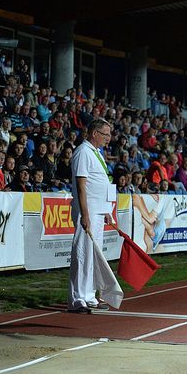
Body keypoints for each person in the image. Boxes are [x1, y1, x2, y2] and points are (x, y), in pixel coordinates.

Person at [68, 119, 123, 314]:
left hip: (98, 211)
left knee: (94, 255)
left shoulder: (96, 153)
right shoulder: (83, 152)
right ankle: (77, 298)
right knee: (83, 254)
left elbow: (101, 183)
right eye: (105, 134)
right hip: (88, 211)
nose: (109, 138)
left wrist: (106, 210)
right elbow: (81, 186)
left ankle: (90, 295)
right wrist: (85, 214)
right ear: (94, 134)